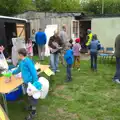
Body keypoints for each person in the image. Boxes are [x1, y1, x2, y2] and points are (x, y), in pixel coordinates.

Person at [12, 48, 42, 120]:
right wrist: (11, 73)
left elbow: (33, 71)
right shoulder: (21, 62)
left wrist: (35, 82)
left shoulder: (27, 61)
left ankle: (33, 112)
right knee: (29, 96)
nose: (17, 55)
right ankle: (31, 107)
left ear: (21, 54)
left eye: (18, 54)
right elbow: (19, 69)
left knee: (33, 97)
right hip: (26, 82)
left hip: (31, 82)